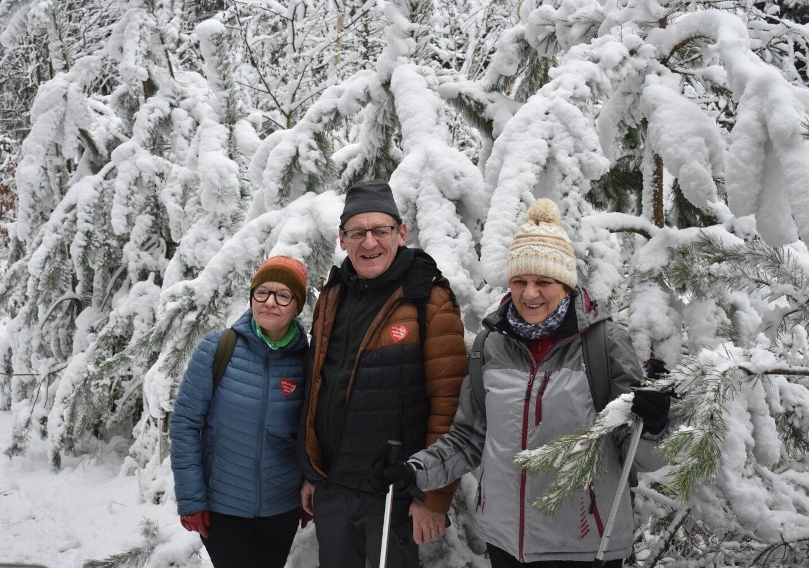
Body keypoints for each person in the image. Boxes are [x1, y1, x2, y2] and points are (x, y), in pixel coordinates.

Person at [371, 198, 672, 567]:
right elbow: (470, 437)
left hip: (585, 544)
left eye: (543, 281)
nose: (530, 294)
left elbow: (641, 455)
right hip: (505, 543)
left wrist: (654, 425)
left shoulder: (603, 343)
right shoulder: (491, 344)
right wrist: (417, 470)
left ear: (565, 284)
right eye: (520, 281)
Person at [297, 179, 468, 568]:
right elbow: (317, 389)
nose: (369, 242)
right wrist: (311, 471)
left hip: (393, 496)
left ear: (401, 233)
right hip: (333, 491)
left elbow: (450, 406)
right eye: (357, 232)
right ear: (342, 239)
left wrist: (433, 496)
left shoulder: (428, 299)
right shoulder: (333, 294)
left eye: (380, 230)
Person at [169, 255, 309, 568]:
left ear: (297, 306)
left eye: (283, 295)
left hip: (281, 507)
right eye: (263, 292)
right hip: (223, 507)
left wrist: (312, 484)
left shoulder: (306, 360)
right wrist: (191, 497)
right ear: (252, 297)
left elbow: (313, 431)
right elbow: (185, 425)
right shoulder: (218, 349)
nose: (270, 302)